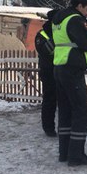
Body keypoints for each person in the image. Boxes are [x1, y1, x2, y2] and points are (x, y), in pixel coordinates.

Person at [52, 0, 87, 166]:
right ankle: (76, 156)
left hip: (60, 68)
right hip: (72, 69)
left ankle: (64, 153)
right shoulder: (75, 20)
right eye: (86, 9)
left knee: (65, 112)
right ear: (79, 6)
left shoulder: (59, 19)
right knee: (80, 112)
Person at [35, 9, 58, 137]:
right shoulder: (42, 34)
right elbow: (47, 51)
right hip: (48, 72)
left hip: (61, 71)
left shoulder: (60, 32)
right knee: (50, 101)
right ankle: (48, 128)